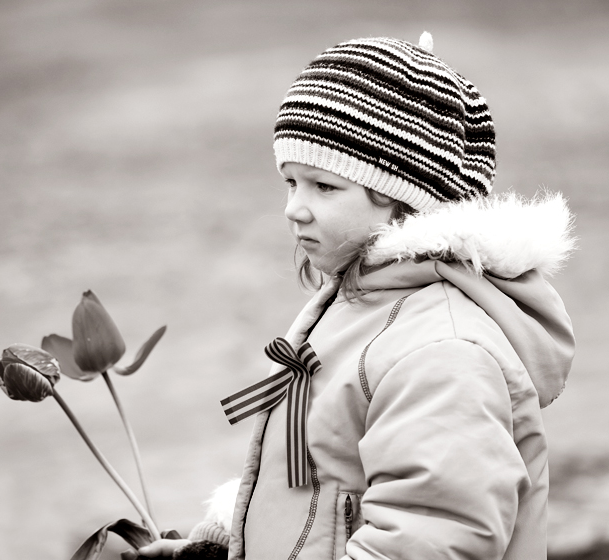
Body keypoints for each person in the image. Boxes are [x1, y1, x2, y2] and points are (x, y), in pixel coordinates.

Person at [137, 32, 575, 560]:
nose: (294, 208)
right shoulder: (364, 309)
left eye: (323, 186)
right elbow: (331, 490)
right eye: (290, 182)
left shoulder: (443, 352)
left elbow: (430, 538)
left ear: (404, 203)